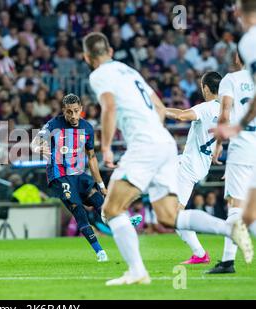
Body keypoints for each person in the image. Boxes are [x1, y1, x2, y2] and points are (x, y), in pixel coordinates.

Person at [83, 32, 252, 286]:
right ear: (110, 50)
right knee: (169, 215)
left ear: (88, 56)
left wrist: (106, 146)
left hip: (147, 146)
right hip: (165, 145)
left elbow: (109, 106)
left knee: (110, 210)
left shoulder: (99, 75)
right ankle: (229, 229)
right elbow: (158, 106)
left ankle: (137, 270)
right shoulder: (129, 71)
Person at [31, 93, 141, 262]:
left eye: (76, 111)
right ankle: (100, 252)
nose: (73, 115)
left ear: (81, 109)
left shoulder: (87, 128)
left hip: (79, 175)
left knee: (99, 200)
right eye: (69, 112)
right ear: (63, 111)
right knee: (79, 210)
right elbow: (34, 143)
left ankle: (124, 222)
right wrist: (38, 148)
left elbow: (92, 158)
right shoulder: (54, 124)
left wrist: (101, 184)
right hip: (59, 176)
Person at [213, 0, 256, 267]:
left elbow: (225, 112)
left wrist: (221, 141)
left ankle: (228, 259)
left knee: (235, 203)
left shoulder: (247, 45)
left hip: (245, 141)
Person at [165, 71, 223, 265]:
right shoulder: (226, 110)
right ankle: (199, 253)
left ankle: (201, 251)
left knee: (174, 213)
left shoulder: (205, 108)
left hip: (190, 164)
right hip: (199, 164)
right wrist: (218, 149)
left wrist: (159, 110)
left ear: (205, 88)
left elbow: (182, 116)